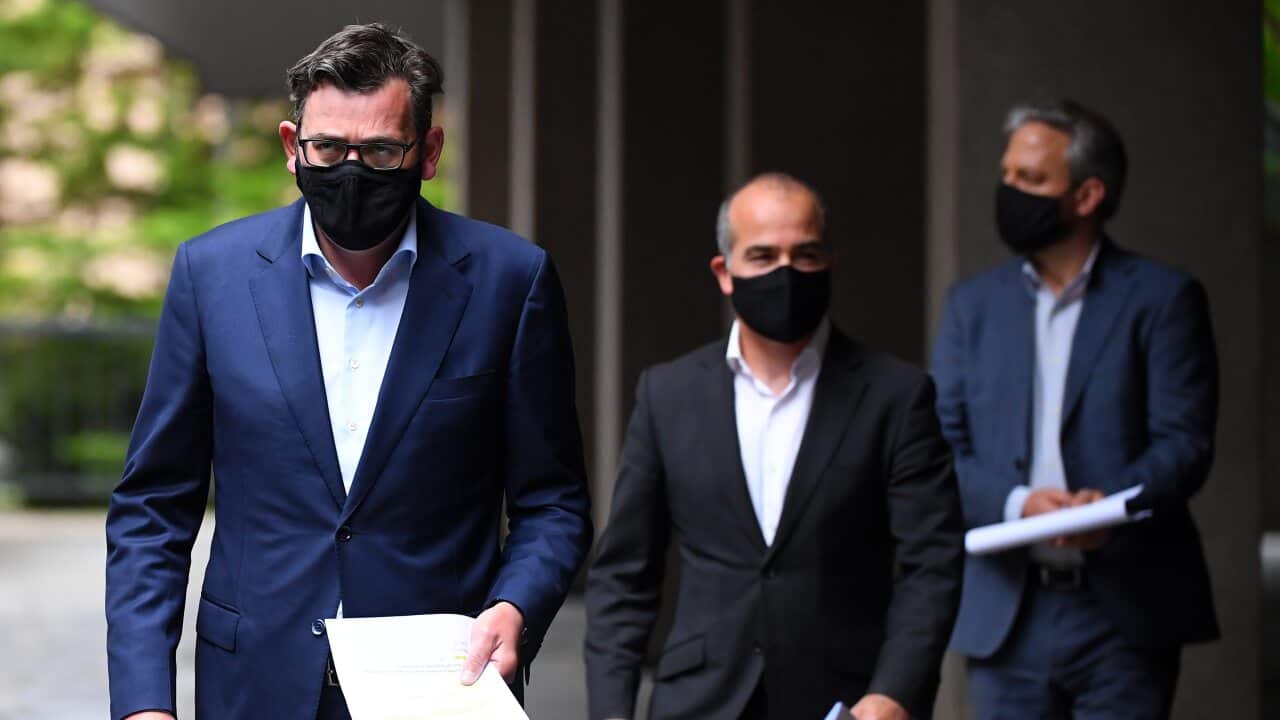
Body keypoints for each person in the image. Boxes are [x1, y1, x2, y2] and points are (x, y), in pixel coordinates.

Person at [104, 23, 591, 720]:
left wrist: (517, 606)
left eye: (381, 150)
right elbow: (152, 510)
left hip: (441, 685)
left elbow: (555, 502)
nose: (351, 171)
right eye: (328, 148)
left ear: (428, 152)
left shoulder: (510, 281)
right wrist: (142, 703)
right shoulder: (211, 276)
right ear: (289, 147)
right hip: (255, 684)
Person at [584, 173, 964, 720]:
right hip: (699, 701)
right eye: (762, 256)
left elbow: (932, 564)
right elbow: (625, 575)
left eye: (805, 255)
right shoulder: (668, 394)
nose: (786, 273)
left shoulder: (897, 397)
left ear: (829, 260)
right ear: (725, 271)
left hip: (846, 702)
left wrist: (894, 693)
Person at [932, 98, 1219, 719]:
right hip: (1007, 611)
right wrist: (1017, 504)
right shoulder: (972, 307)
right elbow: (938, 450)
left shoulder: (1163, 300)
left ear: (1088, 196)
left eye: (1031, 180)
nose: (1010, 192)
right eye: (1007, 176)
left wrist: (1107, 504)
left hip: (1124, 611)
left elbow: (1186, 442)